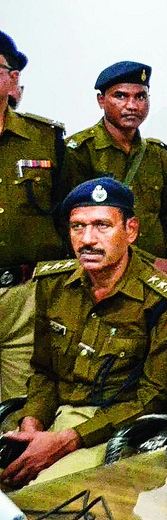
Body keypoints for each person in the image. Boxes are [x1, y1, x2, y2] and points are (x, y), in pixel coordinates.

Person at [1, 178, 167, 486]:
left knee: (39, 494)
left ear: (131, 230)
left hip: (109, 430)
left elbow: (152, 398)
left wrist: (67, 439)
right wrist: (31, 426)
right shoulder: (54, 285)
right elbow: (44, 372)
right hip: (52, 419)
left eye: (102, 226)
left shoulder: (164, 301)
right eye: (77, 227)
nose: (87, 240)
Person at [62, 61, 167, 274]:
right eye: (121, 96)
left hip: (159, 274)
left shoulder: (158, 155)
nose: (132, 105)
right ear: (101, 100)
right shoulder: (79, 152)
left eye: (140, 96)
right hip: (103, 272)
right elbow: (74, 226)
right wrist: (146, 262)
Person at [0, 30, 66, 401]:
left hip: (24, 296)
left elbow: (65, 216)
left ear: (13, 79)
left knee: (19, 404)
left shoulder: (45, 139)